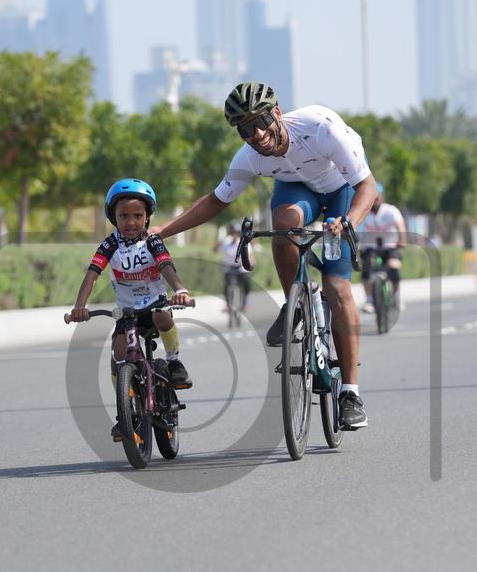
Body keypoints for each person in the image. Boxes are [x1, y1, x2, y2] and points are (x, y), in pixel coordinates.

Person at [154, 82, 379, 430]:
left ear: (276, 113)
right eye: (245, 129)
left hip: (342, 189)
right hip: (298, 189)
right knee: (282, 225)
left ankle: (350, 394)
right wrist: (162, 231)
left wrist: (348, 221)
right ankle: (295, 304)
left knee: (337, 287)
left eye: (260, 122)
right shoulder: (249, 157)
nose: (256, 134)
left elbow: (368, 186)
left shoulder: (321, 128)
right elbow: (215, 201)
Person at [69, 178, 194, 442]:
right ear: (113, 217)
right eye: (123, 216)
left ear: (147, 217)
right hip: (127, 312)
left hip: (155, 304)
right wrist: (80, 306)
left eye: (138, 216)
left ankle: (173, 361)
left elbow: (166, 266)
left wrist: (180, 289)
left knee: (162, 316)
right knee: (117, 356)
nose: (131, 222)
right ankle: (125, 413)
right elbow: (92, 274)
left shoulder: (153, 242)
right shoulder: (109, 245)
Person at [359, 182, 407, 313]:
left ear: (382, 196)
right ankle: (369, 300)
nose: (376, 199)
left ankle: (395, 296)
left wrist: (402, 240)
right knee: (366, 268)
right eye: (373, 197)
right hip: (371, 248)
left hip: (390, 247)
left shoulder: (390, 211)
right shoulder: (364, 212)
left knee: (394, 267)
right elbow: (358, 229)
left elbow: (400, 225)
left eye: (378, 196)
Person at [215, 221, 254, 312]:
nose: (234, 235)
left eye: (236, 232)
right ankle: (228, 304)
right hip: (230, 267)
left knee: (246, 283)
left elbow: (250, 256)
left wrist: (251, 263)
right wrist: (219, 243)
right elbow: (215, 250)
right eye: (232, 232)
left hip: (241, 267)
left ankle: (244, 303)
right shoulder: (226, 242)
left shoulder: (243, 242)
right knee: (228, 285)